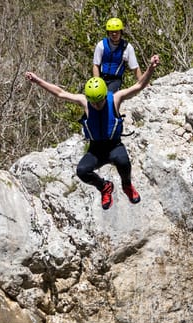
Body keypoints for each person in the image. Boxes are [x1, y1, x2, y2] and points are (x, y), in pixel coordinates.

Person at [26, 54, 160, 210]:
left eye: (99, 101)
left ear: (104, 95)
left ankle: (127, 185)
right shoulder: (85, 102)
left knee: (123, 162)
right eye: (93, 102)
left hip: (114, 145)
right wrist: (38, 81)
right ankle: (104, 187)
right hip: (96, 149)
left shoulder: (116, 98)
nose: (96, 105)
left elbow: (138, 86)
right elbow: (60, 93)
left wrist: (150, 68)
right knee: (82, 171)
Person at [92, 17, 142, 93]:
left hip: (116, 80)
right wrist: (96, 83)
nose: (114, 34)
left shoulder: (127, 47)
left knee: (110, 96)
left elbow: (135, 67)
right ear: (108, 33)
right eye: (112, 32)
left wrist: (142, 83)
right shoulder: (101, 45)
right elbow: (96, 65)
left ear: (121, 32)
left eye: (116, 32)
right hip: (102, 78)